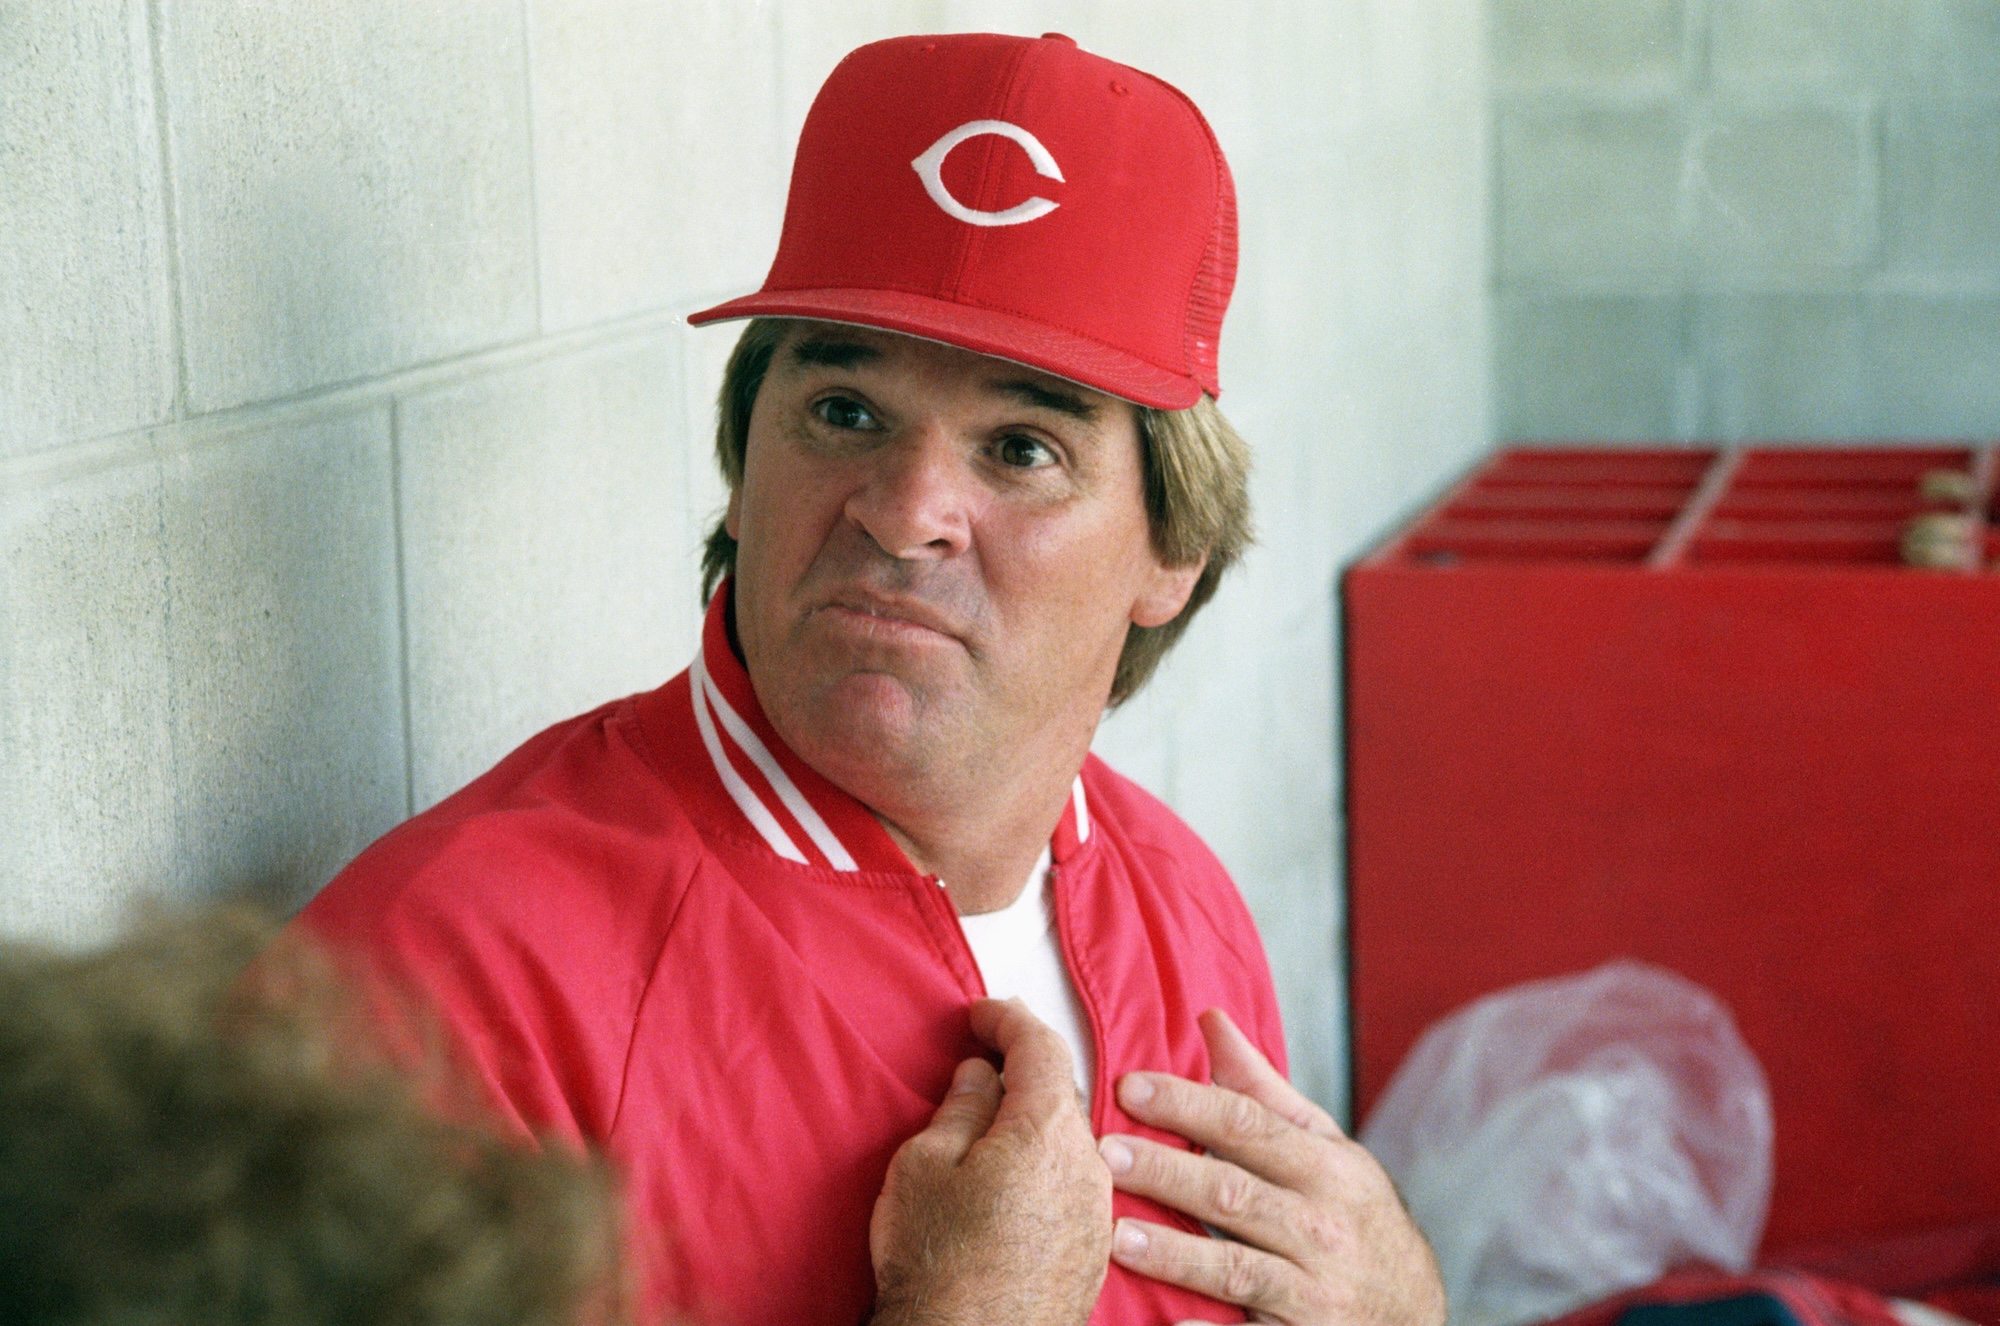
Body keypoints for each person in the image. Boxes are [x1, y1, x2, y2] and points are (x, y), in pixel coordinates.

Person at [298, 30, 1444, 1326]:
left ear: (1170, 552)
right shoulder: (434, 986)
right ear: (744, 467)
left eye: (1020, 447)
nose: (906, 513)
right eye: (845, 409)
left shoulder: (1180, 898)